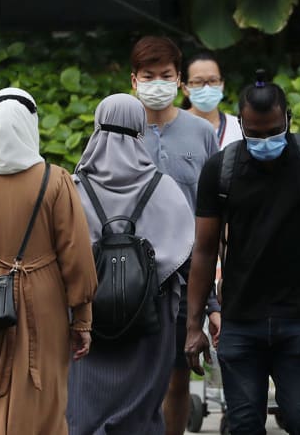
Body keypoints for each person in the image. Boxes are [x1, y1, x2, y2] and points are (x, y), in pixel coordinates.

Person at [183, 75, 300, 434]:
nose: (264, 141)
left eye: (273, 131)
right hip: (241, 320)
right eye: (255, 133)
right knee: (243, 424)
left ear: (288, 118)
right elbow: (203, 250)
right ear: (241, 124)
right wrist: (193, 324)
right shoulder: (221, 170)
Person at [0, 87, 98, 434]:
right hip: (42, 298)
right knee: (42, 393)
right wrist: (82, 321)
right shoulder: (55, 180)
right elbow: (77, 259)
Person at [66, 94, 194, 434]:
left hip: (88, 319)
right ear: (141, 129)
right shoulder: (163, 188)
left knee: (85, 405)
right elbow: (184, 257)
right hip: (149, 321)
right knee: (142, 414)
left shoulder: (74, 189)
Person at [129, 35, 221, 435]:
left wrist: (215, 287)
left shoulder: (200, 133)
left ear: (179, 79)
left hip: (188, 270)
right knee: (133, 372)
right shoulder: (118, 128)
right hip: (130, 270)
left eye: (165, 75)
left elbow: (214, 208)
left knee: (179, 373)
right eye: (148, 76)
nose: (156, 83)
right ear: (133, 80)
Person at [181, 51, 242, 149]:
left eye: (213, 81)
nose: (206, 87)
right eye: (198, 82)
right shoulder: (171, 129)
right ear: (185, 88)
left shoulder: (239, 128)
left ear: (222, 84)